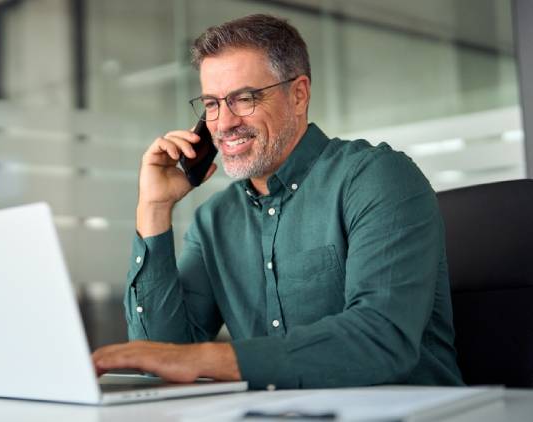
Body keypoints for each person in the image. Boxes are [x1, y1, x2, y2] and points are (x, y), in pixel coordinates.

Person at [91, 14, 463, 390]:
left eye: (244, 98)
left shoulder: (375, 178)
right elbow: (163, 355)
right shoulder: (214, 221)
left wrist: (210, 359)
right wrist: (153, 208)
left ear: (298, 94)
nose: (222, 123)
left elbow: (380, 339)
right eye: (212, 104)